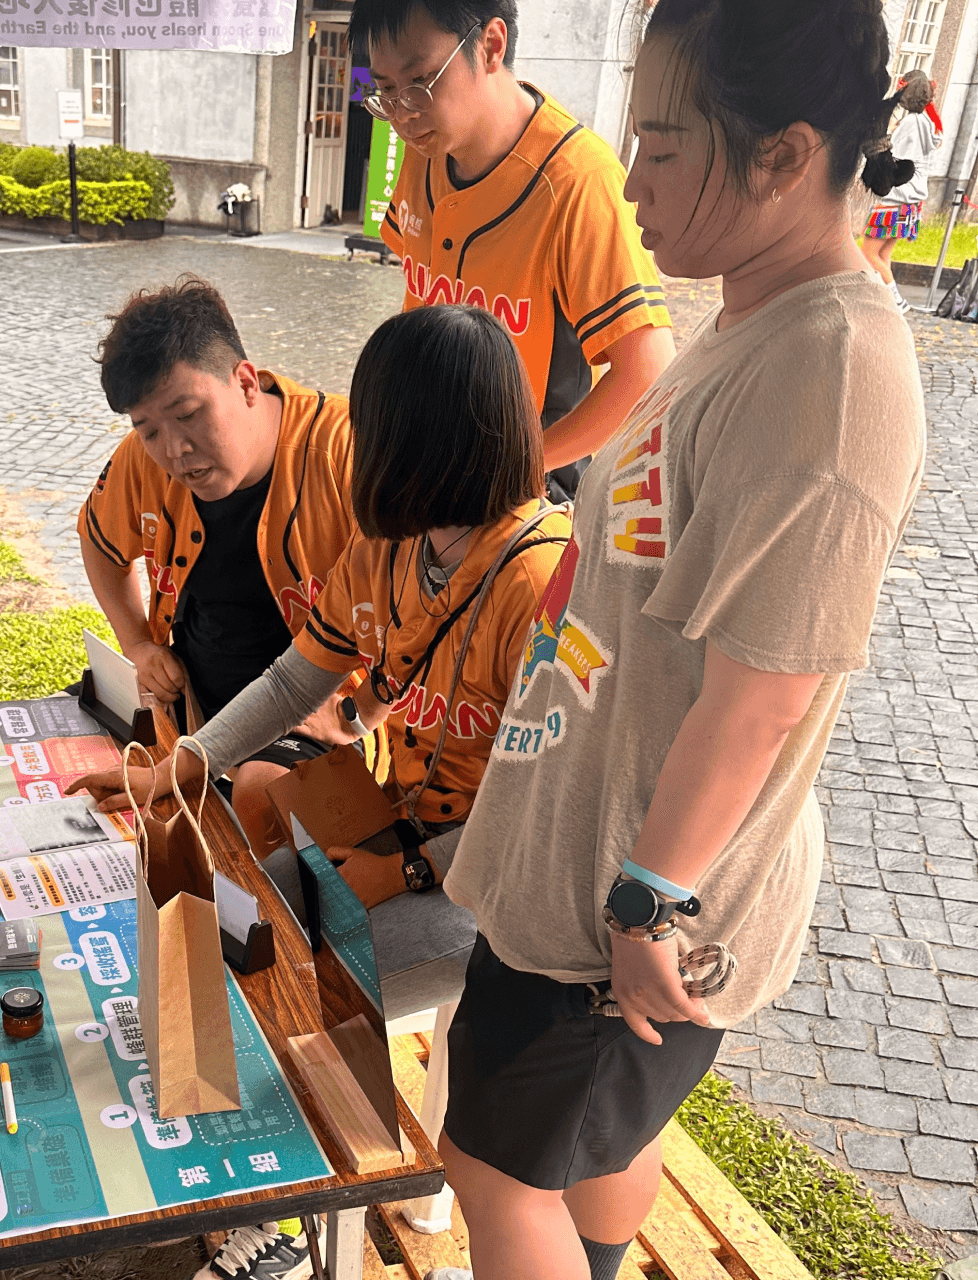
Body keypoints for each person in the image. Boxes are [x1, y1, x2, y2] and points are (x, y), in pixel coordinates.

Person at [421, 0, 927, 1276]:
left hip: (632, 910)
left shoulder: (832, 372)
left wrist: (649, 901)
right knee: (589, 1141)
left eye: (659, 145)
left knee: (492, 1166)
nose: (630, 177)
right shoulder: (756, 307)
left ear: (782, 155)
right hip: (588, 862)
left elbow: (767, 689)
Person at [73, 304, 570, 1280]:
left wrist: (406, 868)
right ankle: (273, 1182)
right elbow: (294, 679)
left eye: (373, 424)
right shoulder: (394, 544)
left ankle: (289, 1228)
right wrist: (185, 763)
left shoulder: (545, 581)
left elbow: (547, 811)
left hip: (489, 890)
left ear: (426, 437)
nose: (355, 442)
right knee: (229, 906)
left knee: (277, 983)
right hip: (407, 827)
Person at [77, 277, 369, 856]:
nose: (174, 450)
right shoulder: (144, 460)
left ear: (245, 382)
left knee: (266, 797)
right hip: (191, 701)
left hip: (316, 717)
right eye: (148, 429)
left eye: (188, 414)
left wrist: (362, 713)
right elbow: (98, 541)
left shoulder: (349, 452)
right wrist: (138, 644)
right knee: (80, 753)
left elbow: (426, 605)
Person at [353, 0, 676, 499]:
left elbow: (647, 371)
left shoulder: (577, 182)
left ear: (490, 45)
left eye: (420, 82)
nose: (404, 115)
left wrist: (517, 468)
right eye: (387, 91)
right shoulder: (426, 150)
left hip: (529, 490)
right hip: (433, 469)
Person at [858, 70, 942, 313]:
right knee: (883, 254)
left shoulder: (911, 125)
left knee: (869, 253)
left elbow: (892, 159)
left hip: (895, 200)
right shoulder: (927, 123)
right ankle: (888, 299)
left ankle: (895, 301)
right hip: (910, 203)